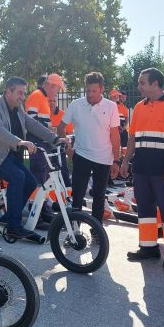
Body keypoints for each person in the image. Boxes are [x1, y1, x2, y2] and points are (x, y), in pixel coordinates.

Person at [0, 77, 67, 239]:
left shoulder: (17, 108)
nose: (22, 97)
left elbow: (32, 124)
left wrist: (54, 139)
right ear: (8, 91)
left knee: (30, 182)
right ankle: (14, 227)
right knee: (18, 177)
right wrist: (21, 141)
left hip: (8, 154)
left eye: (24, 93)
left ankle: (8, 218)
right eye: (19, 93)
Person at [119, 68, 164, 269]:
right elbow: (132, 137)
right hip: (142, 168)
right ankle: (148, 248)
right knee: (145, 209)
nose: (139, 86)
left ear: (155, 84)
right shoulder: (139, 107)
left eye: (142, 83)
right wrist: (125, 161)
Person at [58, 72, 120, 223]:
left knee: (99, 196)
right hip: (81, 155)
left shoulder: (111, 106)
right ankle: (75, 231)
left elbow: (115, 135)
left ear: (101, 89)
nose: (90, 94)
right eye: (88, 90)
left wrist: (116, 160)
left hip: (104, 158)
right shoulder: (75, 105)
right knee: (77, 196)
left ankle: (96, 232)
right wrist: (68, 149)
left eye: (94, 91)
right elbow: (61, 127)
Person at [25, 73, 66, 225]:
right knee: (39, 179)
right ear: (51, 85)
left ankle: (44, 212)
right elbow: (31, 123)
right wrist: (50, 135)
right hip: (38, 143)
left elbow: (40, 123)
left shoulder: (41, 97)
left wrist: (51, 135)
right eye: (57, 89)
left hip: (42, 142)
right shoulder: (36, 96)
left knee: (43, 179)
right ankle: (38, 215)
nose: (57, 92)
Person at [48, 96, 72, 188]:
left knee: (62, 168)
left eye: (54, 100)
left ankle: (67, 187)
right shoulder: (44, 114)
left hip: (59, 146)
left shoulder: (63, 114)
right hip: (47, 145)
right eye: (50, 100)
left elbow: (69, 131)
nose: (52, 102)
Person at [109, 89, 130, 156]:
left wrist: (124, 127)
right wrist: (118, 126)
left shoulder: (124, 107)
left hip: (122, 128)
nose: (117, 97)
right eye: (115, 96)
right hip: (114, 128)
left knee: (124, 141)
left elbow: (126, 118)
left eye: (117, 96)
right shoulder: (111, 105)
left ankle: (123, 156)